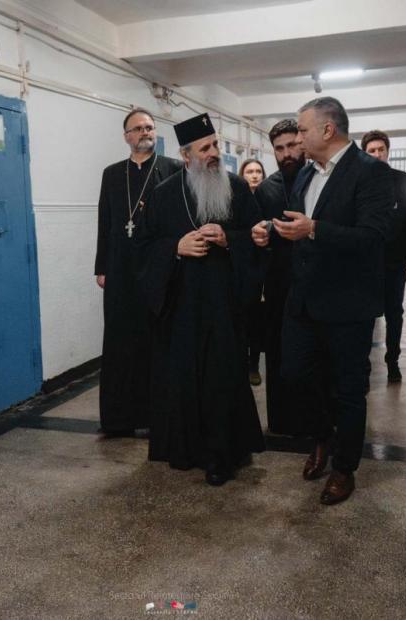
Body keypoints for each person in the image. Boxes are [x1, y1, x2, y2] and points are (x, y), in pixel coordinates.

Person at [252, 97, 393, 505]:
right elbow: (295, 223)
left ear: (327, 130)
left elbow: (373, 237)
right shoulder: (306, 174)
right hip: (303, 301)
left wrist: (315, 229)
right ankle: (321, 437)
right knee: (294, 375)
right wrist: (269, 231)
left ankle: (344, 468)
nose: (298, 139)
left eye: (303, 130)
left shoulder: (370, 172)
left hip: (348, 303)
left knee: (347, 390)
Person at [138, 113, 265, 486]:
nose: (214, 154)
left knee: (221, 379)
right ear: (186, 155)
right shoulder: (163, 194)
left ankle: (222, 456)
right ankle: (187, 449)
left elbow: (258, 240)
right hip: (181, 308)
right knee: (184, 379)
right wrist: (175, 248)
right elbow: (143, 248)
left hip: (224, 305)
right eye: (205, 148)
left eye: (215, 145)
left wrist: (229, 239)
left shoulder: (237, 188)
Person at [94, 108, 182, 437]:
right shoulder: (112, 174)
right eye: (138, 128)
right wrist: (101, 266)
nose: (145, 132)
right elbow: (105, 220)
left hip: (158, 268)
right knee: (120, 342)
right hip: (119, 269)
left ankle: (159, 416)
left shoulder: (173, 169)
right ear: (126, 136)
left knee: (156, 341)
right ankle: (120, 418)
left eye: (149, 127)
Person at [252, 119, 315, 437]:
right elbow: (255, 234)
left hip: (315, 282)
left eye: (291, 145)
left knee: (313, 355)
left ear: (302, 143)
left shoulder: (319, 180)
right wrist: (259, 234)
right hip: (278, 285)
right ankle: (280, 421)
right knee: (277, 353)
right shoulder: (267, 189)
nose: (287, 153)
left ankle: (314, 422)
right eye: (279, 148)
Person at [361, 130, 406, 383]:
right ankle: (363, 366)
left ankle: (393, 361)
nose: (377, 154)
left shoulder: (403, 181)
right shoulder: (358, 182)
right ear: (365, 154)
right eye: (372, 151)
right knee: (364, 315)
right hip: (365, 263)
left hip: (394, 261)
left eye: (381, 149)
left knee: (393, 313)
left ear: (388, 151)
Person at [239, 158, 267, 385]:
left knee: (258, 319)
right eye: (250, 171)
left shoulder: (269, 198)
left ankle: (254, 365)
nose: (255, 175)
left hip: (265, 264)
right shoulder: (237, 198)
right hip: (243, 265)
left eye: (258, 171)